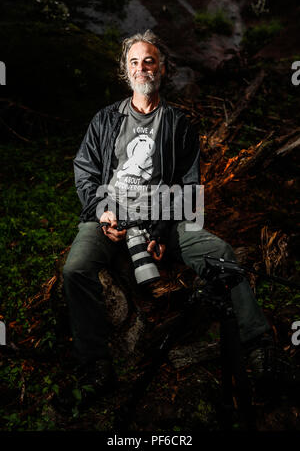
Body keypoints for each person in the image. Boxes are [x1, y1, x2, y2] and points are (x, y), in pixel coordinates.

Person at [63, 30, 274, 393]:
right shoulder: (105, 120)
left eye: (149, 61)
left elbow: (189, 187)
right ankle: (95, 365)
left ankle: (259, 346)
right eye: (134, 62)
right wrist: (101, 211)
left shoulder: (178, 123)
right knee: (75, 269)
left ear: (161, 69)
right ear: (125, 70)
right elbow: (85, 170)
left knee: (221, 255)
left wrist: (161, 232)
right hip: (109, 216)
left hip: (164, 217)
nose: (142, 68)